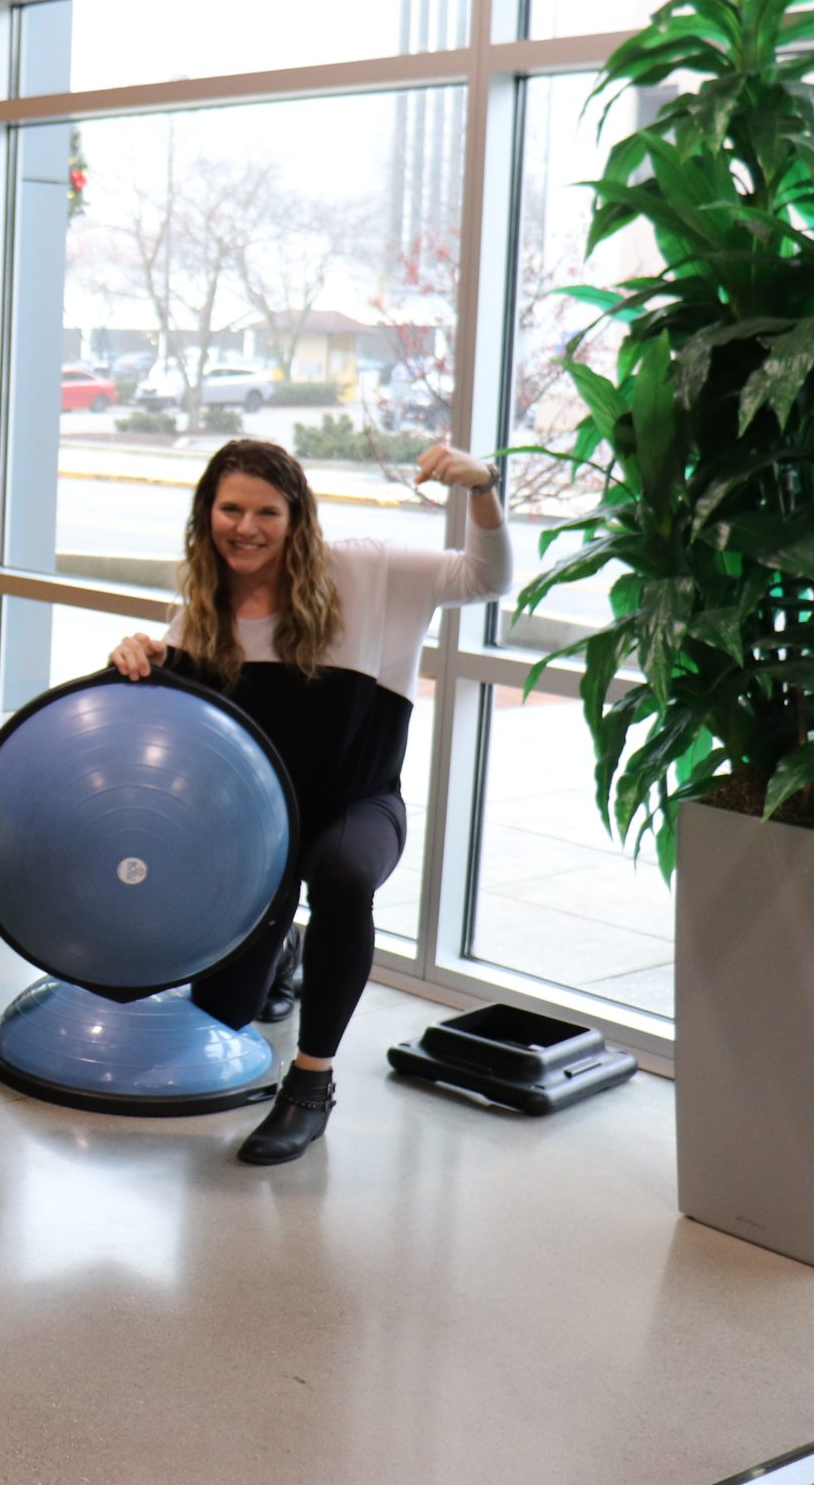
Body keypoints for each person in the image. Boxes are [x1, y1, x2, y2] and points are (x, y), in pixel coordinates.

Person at [110, 437, 510, 1164]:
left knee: (342, 877)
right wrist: (137, 653)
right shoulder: (203, 603)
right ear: (208, 514)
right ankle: (285, 953)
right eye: (230, 508)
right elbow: (166, 708)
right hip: (258, 832)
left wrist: (484, 484)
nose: (247, 527)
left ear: (297, 517)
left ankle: (311, 1082)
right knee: (222, 1015)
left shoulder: (366, 570)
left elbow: (486, 576)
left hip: (356, 808)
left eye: (268, 511)